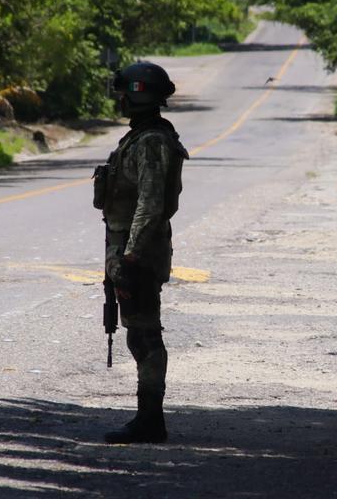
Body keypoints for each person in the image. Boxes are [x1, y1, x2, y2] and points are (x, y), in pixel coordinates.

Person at [95, 61, 188, 443]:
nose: (119, 100)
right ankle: (148, 417)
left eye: (123, 93)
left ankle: (150, 420)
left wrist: (130, 257)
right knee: (138, 331)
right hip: (130, 247)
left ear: (137, 94)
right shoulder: (143, 136)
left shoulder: (151, 141)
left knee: (145, 334)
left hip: (140, 252)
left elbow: (149, 205)